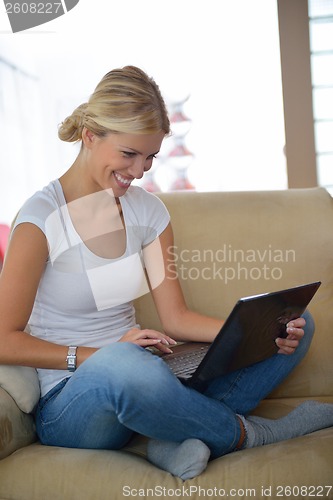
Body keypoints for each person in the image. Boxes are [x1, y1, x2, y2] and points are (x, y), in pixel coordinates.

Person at [0, 65, 332, 481]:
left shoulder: (147, 211)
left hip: (148, 375)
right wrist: (100, 356)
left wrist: (255, 329)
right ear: (90, 136)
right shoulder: (40, 219)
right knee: (125, 365)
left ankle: (174, 439)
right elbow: (3, 340)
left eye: (150, 157)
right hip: (74, 401)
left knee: (294, 322)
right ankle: (247, 434)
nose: (140, 171)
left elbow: (176, 318)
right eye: (129, 154)